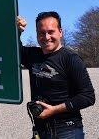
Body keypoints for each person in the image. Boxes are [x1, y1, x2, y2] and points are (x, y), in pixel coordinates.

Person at [16, 11, 95, 139]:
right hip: (40, 130)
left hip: (67, 130)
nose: (46, 37)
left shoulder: (71, 59)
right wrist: (17, 31)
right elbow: (12, 49)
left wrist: (54, 110)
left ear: (60, 31)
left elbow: (88, 96)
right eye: (41, 33)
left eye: (51, 32)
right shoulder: (32, 56)